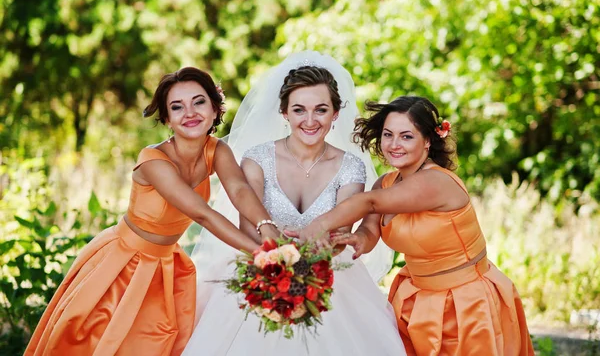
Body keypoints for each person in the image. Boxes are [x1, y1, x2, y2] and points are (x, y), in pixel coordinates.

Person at [25, 67, 279, 356]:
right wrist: (261, 252)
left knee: (154, 345)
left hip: (166, 266)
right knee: (95, 342)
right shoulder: (152, 159)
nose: (190, 113)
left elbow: (240, 190)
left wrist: (267, 228)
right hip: (122, 263)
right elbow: (202, 214)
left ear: (214, 108)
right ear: (167, 118)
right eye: (177, 107)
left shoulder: (216, 150)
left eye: (198, 102)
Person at [184, 51, 406, 355]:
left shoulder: (351, 167)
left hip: (329, 281)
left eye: (321, 110)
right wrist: (277, 266)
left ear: (336, 114)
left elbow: (337, 235)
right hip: (260, 271)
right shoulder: (257, 159)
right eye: (299, 110)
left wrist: (302, 266)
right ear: (285, 113)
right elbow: (248, 228)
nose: (310, 120)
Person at [289, 96, 535, 355]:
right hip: (415, 298)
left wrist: (316, 225)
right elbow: (370, 228)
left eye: (406, 136)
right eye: (388, 135)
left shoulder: (435, 182)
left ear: (427, 141)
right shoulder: (385, 183)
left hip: (466, 302)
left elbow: (369, 203)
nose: (394, 145)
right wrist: (358, 239)